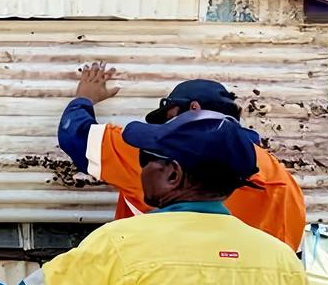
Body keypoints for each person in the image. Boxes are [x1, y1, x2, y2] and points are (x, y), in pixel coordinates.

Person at [0, 110, 327, 285]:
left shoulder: (119, 245)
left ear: (174, 175)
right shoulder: (281, 262)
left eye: (146, 157)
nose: (140, 166)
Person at [58, 62, 306, 252]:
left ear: (194, 108)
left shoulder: (166, 152)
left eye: (169, 117)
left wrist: (84, 99)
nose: (165, 129)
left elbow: (76, 136)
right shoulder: (284, 183)